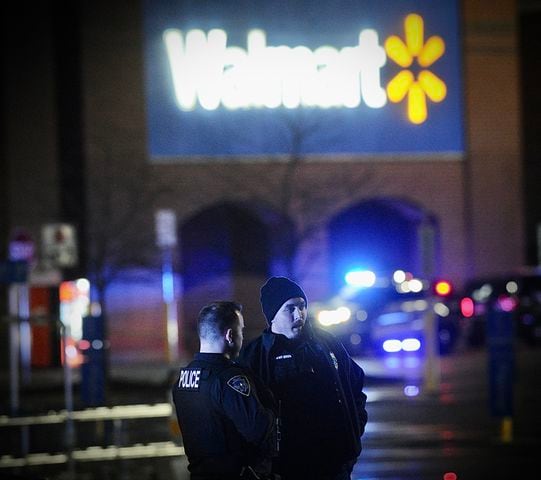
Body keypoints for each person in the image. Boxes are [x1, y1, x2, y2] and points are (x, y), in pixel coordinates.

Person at [238, 277, 368, 480]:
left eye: (302, 306)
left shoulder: (326, 344)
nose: (299, 314)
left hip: (332, 464)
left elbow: (355, 383)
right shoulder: (255, 356)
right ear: (273, 314)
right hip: (284, 467)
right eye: (290, 308)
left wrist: (353, 431)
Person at [172, 301, 279, 480]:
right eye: (241, 331)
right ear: (230, 335)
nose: (242, 337)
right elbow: (258, 429)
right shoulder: (229, 378)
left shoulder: (184, 378)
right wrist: (271, 408)